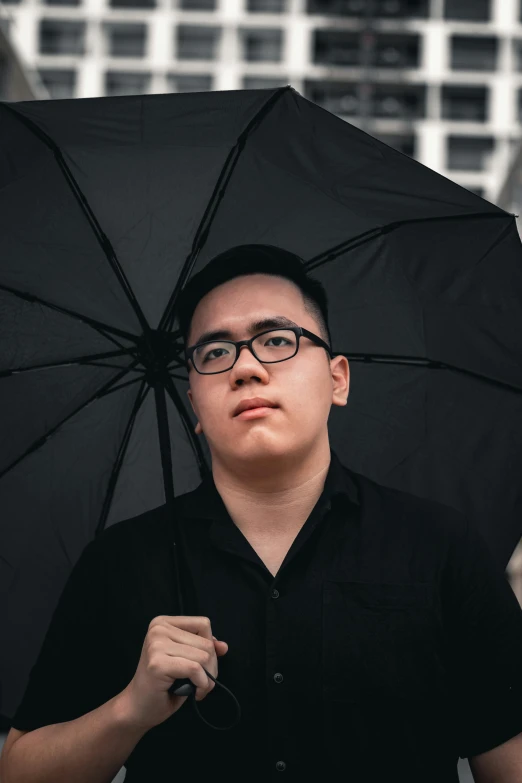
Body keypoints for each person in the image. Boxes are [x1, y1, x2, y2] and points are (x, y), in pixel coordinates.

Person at [2, 244, 522, 783]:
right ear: (195, 404)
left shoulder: (438, 545)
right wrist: (128, 711)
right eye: (214, 353)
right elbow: (19, 770)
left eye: (277, 340)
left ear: (337, 378)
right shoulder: (120, 561)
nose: (246, 368)